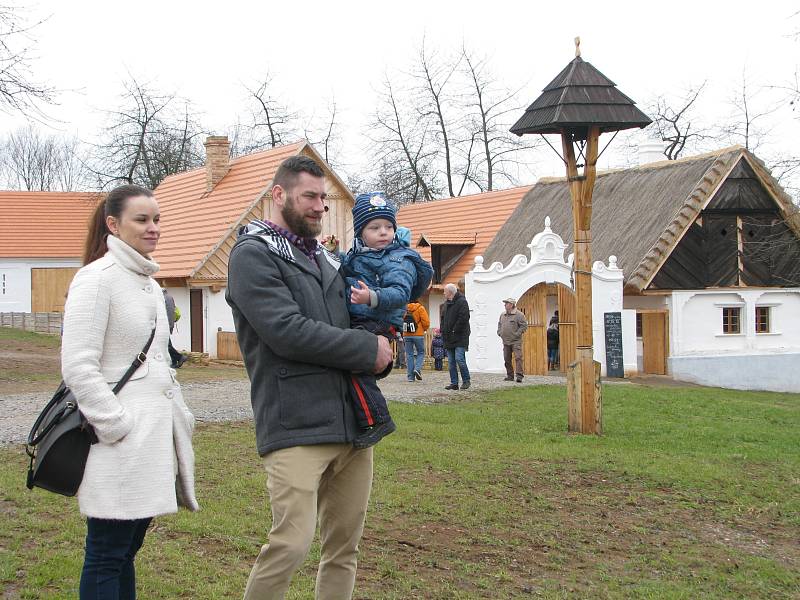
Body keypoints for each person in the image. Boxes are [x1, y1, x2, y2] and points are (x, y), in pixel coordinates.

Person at [225, 156, 394, 600]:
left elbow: (353, 322)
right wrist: (365, 349)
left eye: (324, 197)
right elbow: (287, 332)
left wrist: (382, 345)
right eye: (310, 197)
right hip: (295, 424)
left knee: (344, 550)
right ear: (279, 196)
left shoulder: (329, 261)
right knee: (289, 546)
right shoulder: (251, 256)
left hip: (352, 422)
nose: (321, 206)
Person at [61, 184, 198, 599]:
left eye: (157, 219)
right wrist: (115, 425)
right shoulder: (97, 279)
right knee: (106, 553)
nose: (153, 227)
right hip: (117, 444)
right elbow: (78, 366)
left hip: (150, 442)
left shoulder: (148, 283)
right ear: (113, 224)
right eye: (142, 219)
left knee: (125, 552)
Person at [341, 192, 433, 445]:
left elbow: (400, 293)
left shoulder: (398, 258)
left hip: (378, 320)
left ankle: (377, 418)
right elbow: (347, 270)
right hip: (363, 317)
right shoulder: (360, 254)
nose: (384, 232)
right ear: (361, 233)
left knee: (354, 365)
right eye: (375, 227)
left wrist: (372, 296)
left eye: (388, 226)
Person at [441, 283, 471, 390]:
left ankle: (466, 381)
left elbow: (464, 317)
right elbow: (443, 319)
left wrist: (454, 330)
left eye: (445, 291)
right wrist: (443, 331)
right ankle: (454, 383)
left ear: (450, 292)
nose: (443, 293)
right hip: (448, 337)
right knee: (451, 362)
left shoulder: (462, 302)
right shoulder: (446, 304)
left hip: (460, 336)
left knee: (459, 359)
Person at [497, 297, 528, 383]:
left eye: (506, 303)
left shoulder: (519, 315)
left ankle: (519, 376)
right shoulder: (502, 315)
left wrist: (517, 334)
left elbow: (524, 326)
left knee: (518, 358)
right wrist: (499, 332)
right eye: (505, 303)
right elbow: (499, 324)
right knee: (506, 358)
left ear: (511, 305)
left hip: (516, 341)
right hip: (505, 341)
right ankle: (510, 376)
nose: (505, 305)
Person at [403, 301, 430, 381]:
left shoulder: (404, 308)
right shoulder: (420, 308)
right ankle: (417, 369)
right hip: (418, 335)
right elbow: (426, 322)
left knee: (409, 355)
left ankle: (410, 377)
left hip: (406, 335)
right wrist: (423, 329)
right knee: (421, 352)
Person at [162, 288, 188, 368]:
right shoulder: (169, 297)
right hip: (167, 324)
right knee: (167, 344)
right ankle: (173, 362)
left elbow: (169, 313)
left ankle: (180, 357)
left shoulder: (164, 298)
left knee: (166, 345)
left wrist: (167, 325)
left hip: (164, 325)